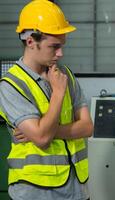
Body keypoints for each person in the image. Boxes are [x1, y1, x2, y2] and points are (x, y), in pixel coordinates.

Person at [0, 1, 93, 199]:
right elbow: (42, 139)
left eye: (62, 46)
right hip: (36, 191)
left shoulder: (65, 74)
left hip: (77, 188)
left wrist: (49, 131)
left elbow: (87, 127)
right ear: (31, 42)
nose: (61, 53)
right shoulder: (11, 84)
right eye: (54, 46)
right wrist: (58, 93)